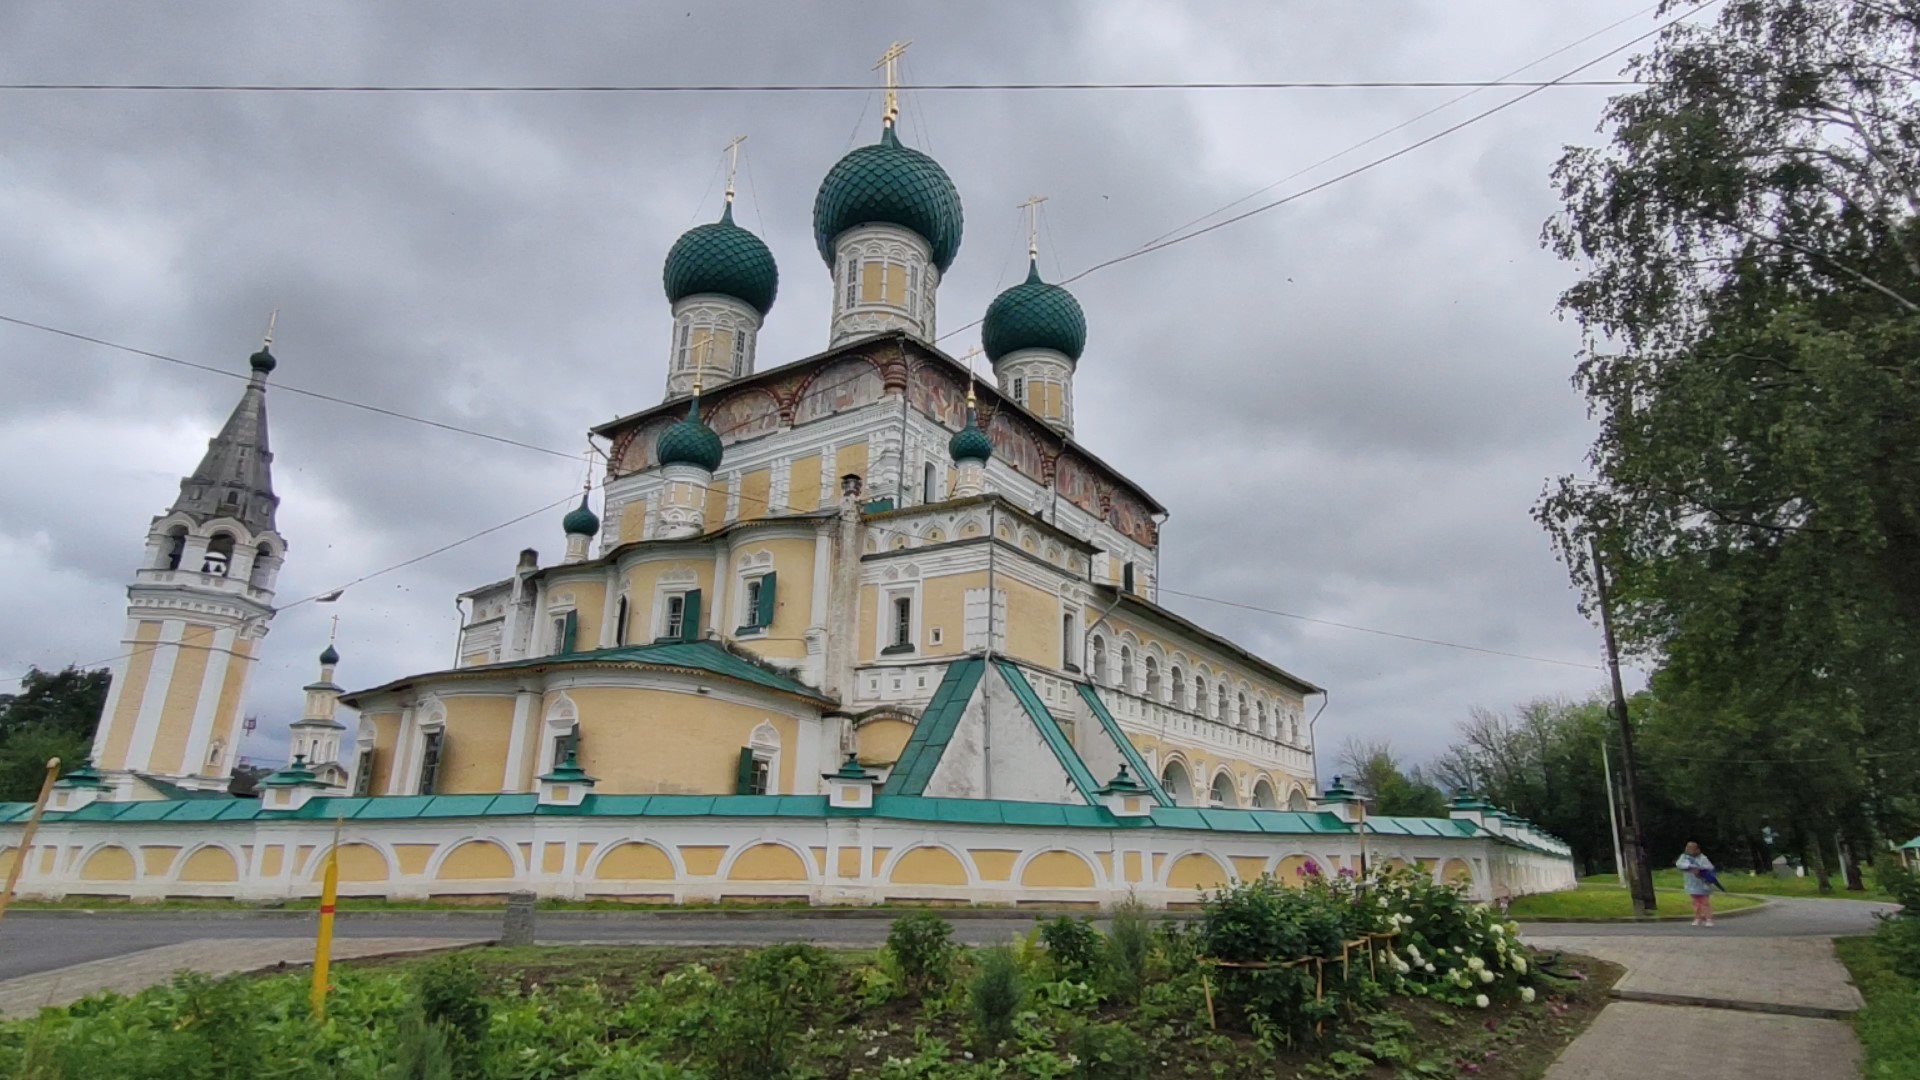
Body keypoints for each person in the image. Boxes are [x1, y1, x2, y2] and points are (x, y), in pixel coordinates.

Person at [1677, 842, 1715, 926]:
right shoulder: (1684, 857)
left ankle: (1708, 918)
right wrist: (1689, 866)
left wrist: (1700, 868)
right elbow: (1679, 864)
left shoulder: (1702, 858)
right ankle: (1698, 917)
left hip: (1702, 883)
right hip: (1691, 883)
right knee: (1696, 902)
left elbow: (1710, 867)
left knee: (1704, 901)